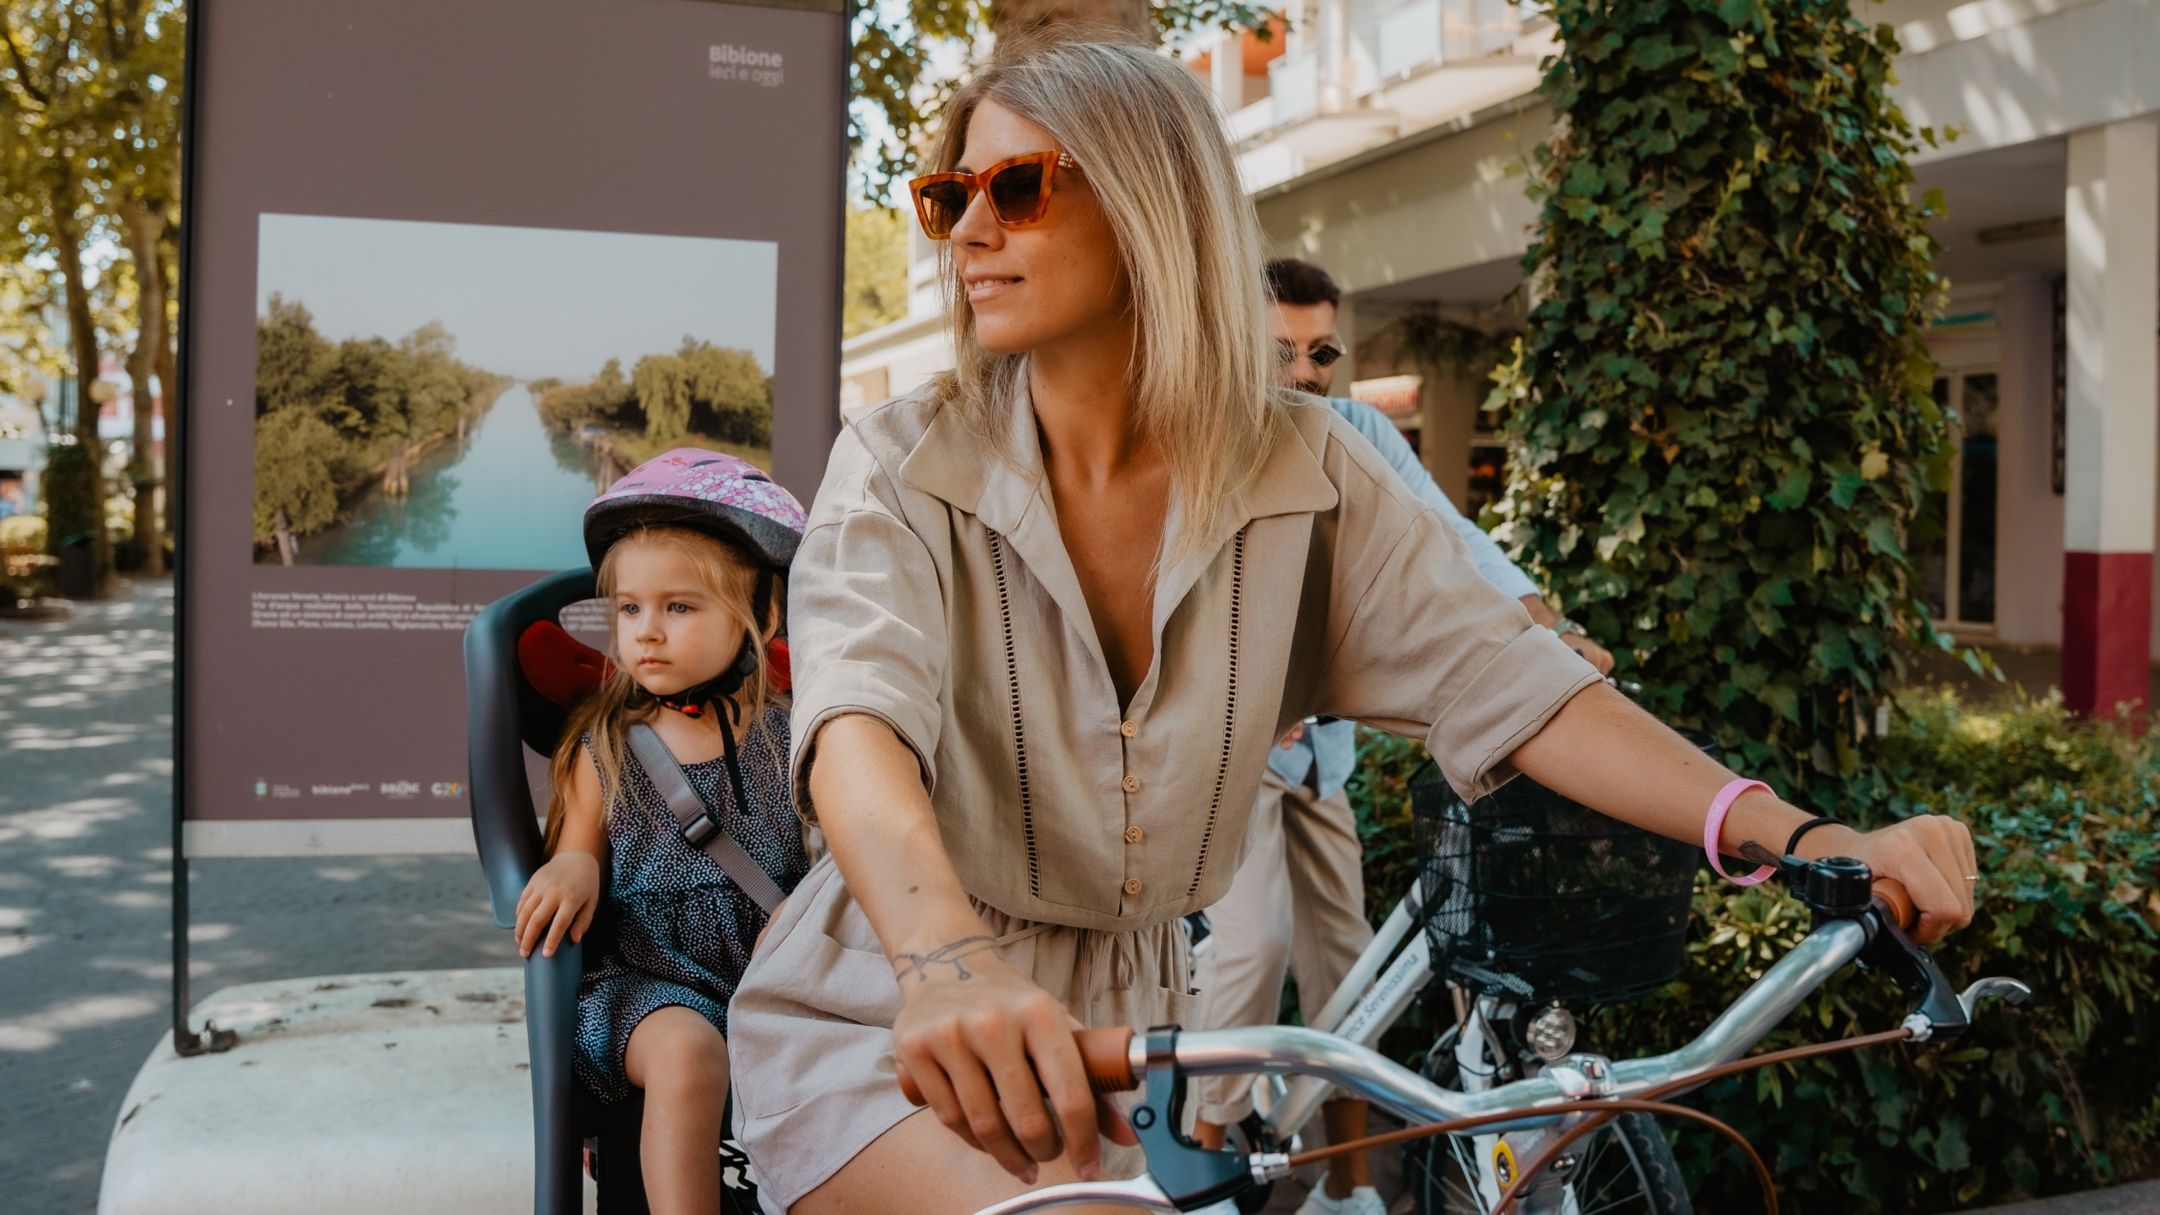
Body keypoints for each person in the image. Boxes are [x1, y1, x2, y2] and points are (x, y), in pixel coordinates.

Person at [726, 36, 1976, 1215]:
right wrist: (947, 962)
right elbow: (856, 722)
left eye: (1019, 186)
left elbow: (1521, 684)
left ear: (1157, 209)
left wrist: (1803, 835)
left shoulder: (1315, 472)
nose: (973, 233)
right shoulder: (901, 459)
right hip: (889, 1011)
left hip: (1145, 1032)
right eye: (953, 198)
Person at [1188, 257, 1614, 1215]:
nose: (1304, 372)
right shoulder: (1211, 441)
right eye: (1280, 351)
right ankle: (1202, 1169)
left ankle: (1347, 1188)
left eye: (1322, 352)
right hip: (1234, 757)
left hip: (1320, 761)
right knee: (1251, 952)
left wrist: (1549, 628)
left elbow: (1450, 534)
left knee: (1346, 971)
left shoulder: (1362, 432)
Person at [513, 449, 813, 1215]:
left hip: (770, 975)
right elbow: (579, 844)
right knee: (688, 1052)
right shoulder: (606, 745)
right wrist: (575, 867)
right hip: (648, 985)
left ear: (761, 616)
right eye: (630, 610)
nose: (647, 633)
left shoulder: (787, 738)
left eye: (679, 608)